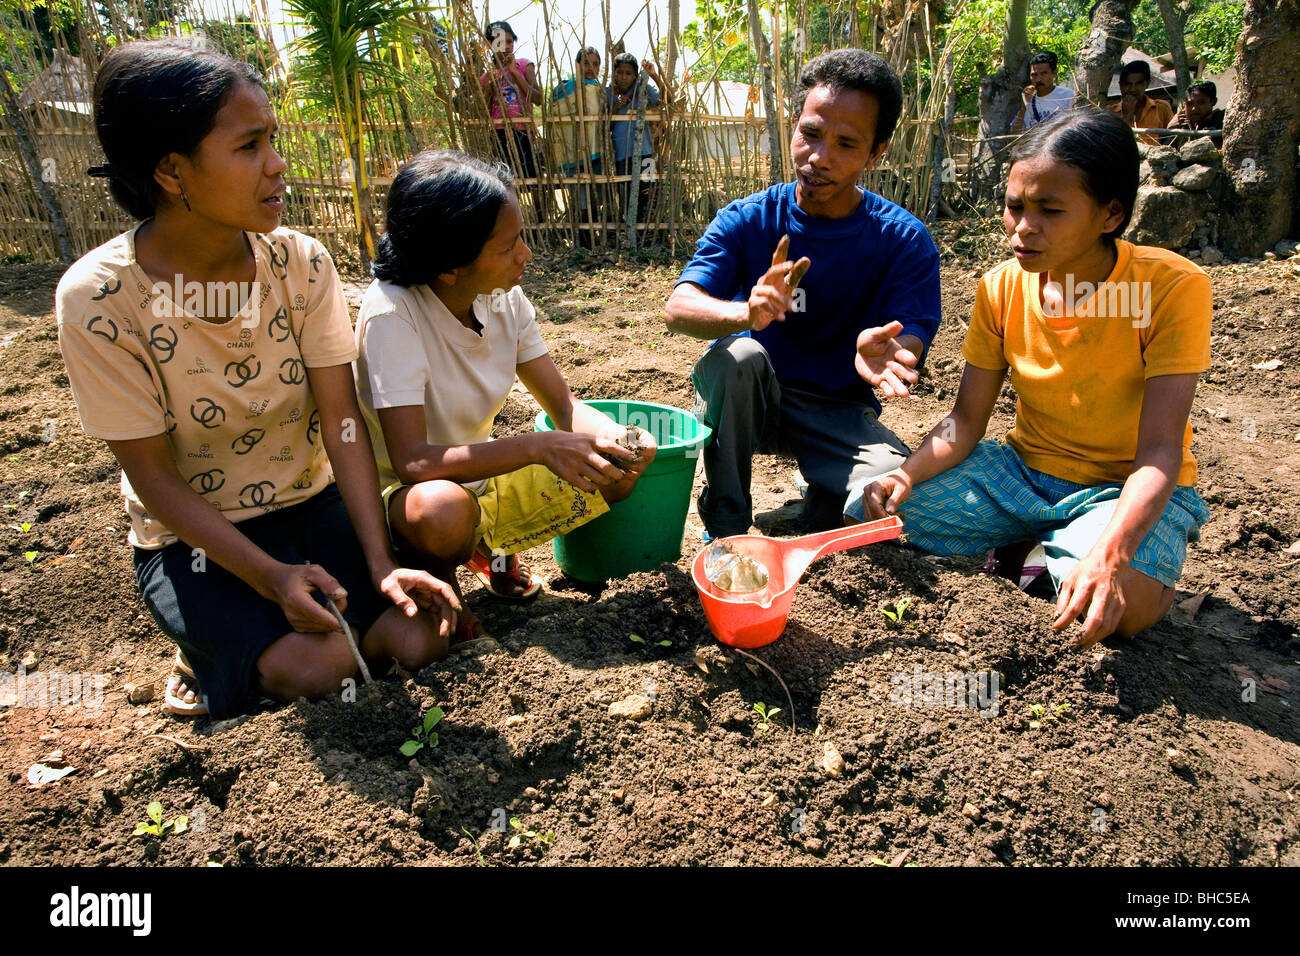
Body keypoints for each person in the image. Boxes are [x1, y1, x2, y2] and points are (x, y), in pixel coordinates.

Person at [57, 41, 459, 719]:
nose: (278, 165)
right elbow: (153, 477)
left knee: (418, 636)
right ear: (171, 171)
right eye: (249, 147)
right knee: (323, 665)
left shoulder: (299, 264)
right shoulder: (98, 299)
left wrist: (379, 559)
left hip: (309, 506)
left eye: (272, 140)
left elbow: (342, 420)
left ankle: (297, 629)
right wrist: (271, 579)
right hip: (196, 543)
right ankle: (205, 653)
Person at [848, 109, 1212, 649]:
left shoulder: (1170, 288)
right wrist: (906, 475)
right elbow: (965, 422)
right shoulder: (1001, 288)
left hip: (1122, 490)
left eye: (1050, 210)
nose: (1023, 227)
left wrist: (1110, 557)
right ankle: (1040, 546)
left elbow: (1159, 451)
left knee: (1106, 605)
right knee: (872, 514)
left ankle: (1065, 554)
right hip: (1021, 474)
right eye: (1015, 207)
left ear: (1110, 214)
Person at [354, 151, 656, 633]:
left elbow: (564, 405)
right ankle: (440, 576)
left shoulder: (503, 299)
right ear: (450, 265)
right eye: (508, 244)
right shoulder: (394, 315)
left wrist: (618, 437)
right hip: (408, 498)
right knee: (442, 511)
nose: (526, 255)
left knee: (616, 471)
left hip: (480, 481)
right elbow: (412, 461)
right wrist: (535, 446)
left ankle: (486, 548)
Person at [662, 49, 941, 539]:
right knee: (738, 357)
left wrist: (896, 350)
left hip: (839, 413)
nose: (819, 158)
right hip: (753, 405)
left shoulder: (903, 239)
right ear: (794, 125)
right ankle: (727, 526)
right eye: (810, 134)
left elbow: (910, 333)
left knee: (899, 505)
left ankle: (825, 495)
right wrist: (745, 312)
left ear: (877, 152)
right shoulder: (748, 219)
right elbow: (678, 309)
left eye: (846, 144)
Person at [478, 21, 546, 211]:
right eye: (500, 42)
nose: (506, 46)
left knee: (533, 178)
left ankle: (541, 218)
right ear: (490, 45)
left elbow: (538, 98)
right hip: (499, 134)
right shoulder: (488, 76)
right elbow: (483, 109)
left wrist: (516, 74)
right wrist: (490, 88)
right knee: (503, 181)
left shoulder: (524, 66)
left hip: (523, 131)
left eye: (509, 41)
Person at [551, 47, 607, 240]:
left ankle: (594, 237)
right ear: (577, 65)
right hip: (573, 152)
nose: (591, 68)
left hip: (596, 151)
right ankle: (583, 239)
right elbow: (555, 108)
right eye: (586, 63)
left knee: (595, 196)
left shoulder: (601, 90)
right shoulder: (566, 88)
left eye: (595, 63)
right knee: (580, 198)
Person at [608, 53, 669, 223]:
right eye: (620, 72)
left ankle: (645, 234)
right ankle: (629, 231)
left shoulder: (644, 90)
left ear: (635, 75)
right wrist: (615, 107)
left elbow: (667, 99)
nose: (624, 77)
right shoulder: (609, 93)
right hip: (622, 155)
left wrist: (654, 76)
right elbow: (605, 126)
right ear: (614, 73)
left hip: (646, 153)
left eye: (628, 73)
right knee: (625, 193)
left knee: (647, 192)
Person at [1109, 59, 1174, 145]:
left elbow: (1171, 139)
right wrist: (1126, 116)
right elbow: (1111, 144)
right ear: (1121, 86)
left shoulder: (1161, 108)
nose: (1132, 89)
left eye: (1138, 84)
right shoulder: (1111, 113)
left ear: (1147, 84)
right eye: (1128, 84)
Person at [1010, 52, 1074, 134]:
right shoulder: (1027, 101)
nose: (1038, 79)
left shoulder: (1068, 96)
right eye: (1034, 75)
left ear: (1054, 73)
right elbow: (1013, 136)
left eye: (1044, 74)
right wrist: (1025, 106)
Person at [1169, 81, 1226, 147]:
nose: (1194, 108)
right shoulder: (1184, 124)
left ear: (1213, 102)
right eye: (1190, 104)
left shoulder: (1222, 120)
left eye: (1201, 103)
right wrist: (1170, 130)